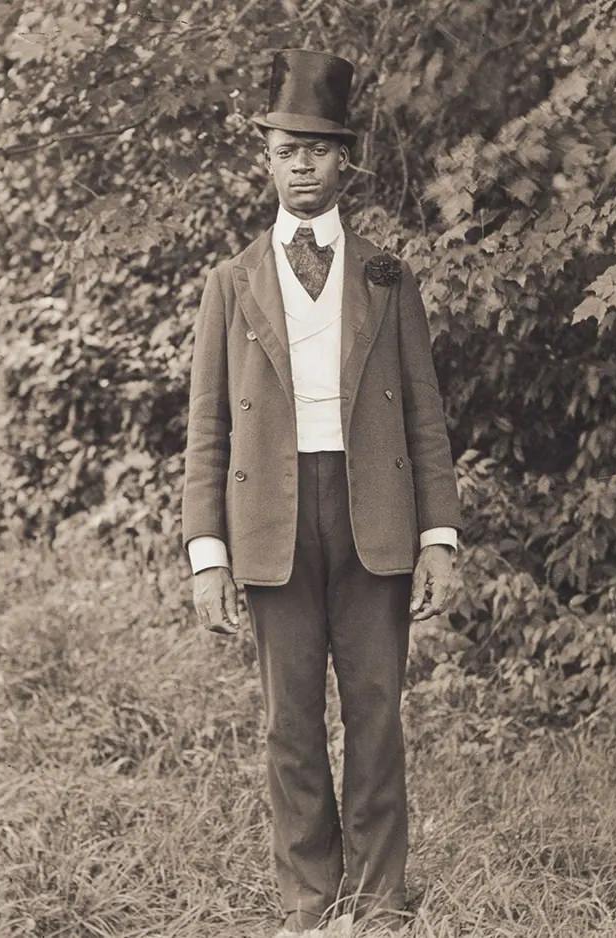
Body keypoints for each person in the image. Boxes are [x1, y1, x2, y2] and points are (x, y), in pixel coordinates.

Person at [181, 48, 462, 936]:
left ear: (346, 161)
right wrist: (206, 556)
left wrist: (440, 539)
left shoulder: (388, 274)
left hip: (371, 514)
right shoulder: (229, 282)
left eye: (316, 148)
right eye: (284, 149)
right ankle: (309, 903)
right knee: (289, 721)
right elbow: (206, 432)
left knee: (377, 715)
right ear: (266, 161)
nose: (300, 165)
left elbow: (425, 417)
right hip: (268, 519)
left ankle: (380, 903)